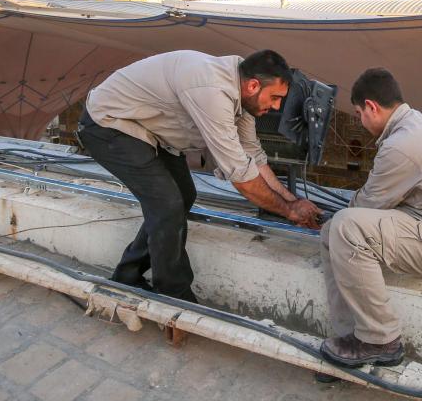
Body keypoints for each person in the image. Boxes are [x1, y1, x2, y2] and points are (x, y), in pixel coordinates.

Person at [79, 49, 322, 302]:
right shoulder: (213, 91)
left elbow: (253, 157)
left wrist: (292, 201)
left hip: (146, 130)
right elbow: (243, 179)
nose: (276, 106)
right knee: (167, 204)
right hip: (108, 124)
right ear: (253, 85)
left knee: (184, 195)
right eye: (274, 98)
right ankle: (175, 298)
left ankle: (127, 277)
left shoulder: (242, 95)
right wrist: (289, 211)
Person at [319, 68, 422, 367]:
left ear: (371, 106)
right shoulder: (420, 126)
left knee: (344, 226)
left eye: (359, 113)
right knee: (332, 230)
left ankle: (380, 339)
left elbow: (368, 205)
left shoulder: (402, 144)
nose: (360, 121)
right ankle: (349, 338)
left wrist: (332, 213)